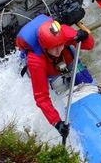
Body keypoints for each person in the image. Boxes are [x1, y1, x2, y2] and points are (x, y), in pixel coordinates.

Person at [15, 14, 95, 142]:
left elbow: (90, 45)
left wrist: (85, 37)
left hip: (66, 58)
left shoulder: (65, 34)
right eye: (54, 48)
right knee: (58, 86)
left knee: (85, 79)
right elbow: (41, 98)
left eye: (60, 45)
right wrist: (56, 122)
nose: (58, 50)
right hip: (47, 68)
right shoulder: (36, 60)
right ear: (45, 46)